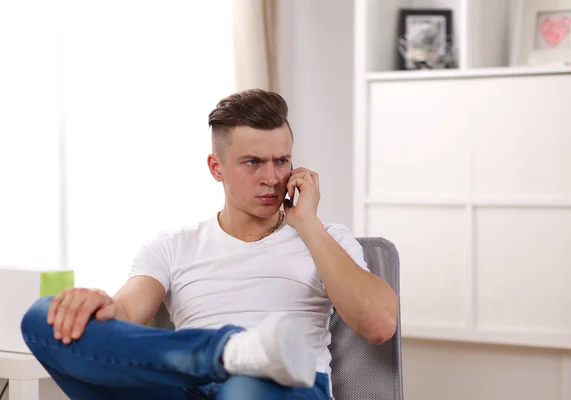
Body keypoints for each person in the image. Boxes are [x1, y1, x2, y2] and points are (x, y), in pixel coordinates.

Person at [20, 89, 399, 400]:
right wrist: (94, 306)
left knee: (245, 386)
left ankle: (240, 359)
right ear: (216, 167)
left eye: (281, 161)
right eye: (253, 162)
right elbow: (124, 314)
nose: (272, 178)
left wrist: (307, 223)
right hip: (189, 387)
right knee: (41, 319)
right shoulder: (173, 245)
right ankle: (229, 351)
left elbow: (379, 325)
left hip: (284, 389)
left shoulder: (327, 237)